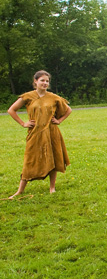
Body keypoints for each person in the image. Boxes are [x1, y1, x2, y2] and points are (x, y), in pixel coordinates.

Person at [7, 70, 72, 198]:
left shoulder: (53, 97)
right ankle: (20, 190)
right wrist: (23, 123)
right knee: (30, 159)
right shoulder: (27, 97)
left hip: (51, 132)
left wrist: (59, 120)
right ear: (35, 81)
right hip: (35, 133)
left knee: (53, 157)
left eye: (47, 81)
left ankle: (52, 188)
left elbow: (68, 110)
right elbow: (11, 110)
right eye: (42, 80)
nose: (45, 83)